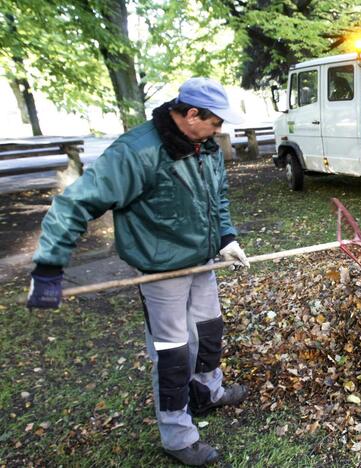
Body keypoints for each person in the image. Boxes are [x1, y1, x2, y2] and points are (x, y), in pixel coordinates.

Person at [27, 77, 251, 465]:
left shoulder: (207, 146)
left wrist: (226, 236)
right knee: (173, 352)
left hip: (203, 260)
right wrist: (49, 268)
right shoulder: (137, 152)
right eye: (216, 122)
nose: (221, 130)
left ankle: (207, 391)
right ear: (192, 114)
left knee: (209, 330)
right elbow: (73, 205)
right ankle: (177, 435)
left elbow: (219, 197)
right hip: (160, 267)